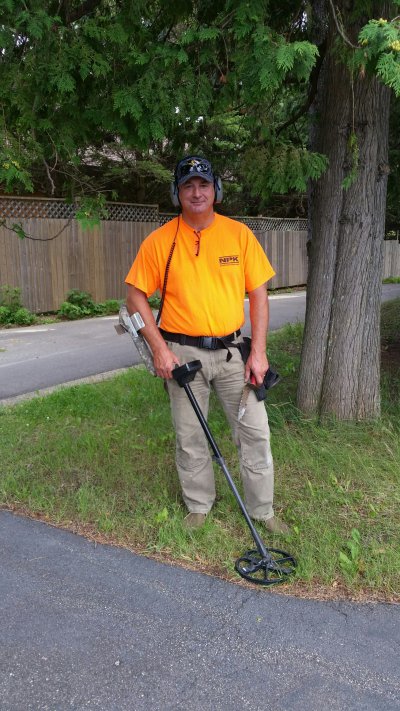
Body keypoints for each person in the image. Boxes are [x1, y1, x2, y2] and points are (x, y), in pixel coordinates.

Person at [125, 155, 289, 533]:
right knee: (189, 435)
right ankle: (198, 505)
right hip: (182, 356)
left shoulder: (239, 234)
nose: (196, 192)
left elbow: (259, 294)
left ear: (216, 189)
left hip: (234, 354)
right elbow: (135, 297)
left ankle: (262, 511)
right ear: (177, 193)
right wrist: (159, 350)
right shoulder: (159, 241)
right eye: (188, 185)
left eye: (203, 184)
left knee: (254, 431)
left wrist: (259, 352)